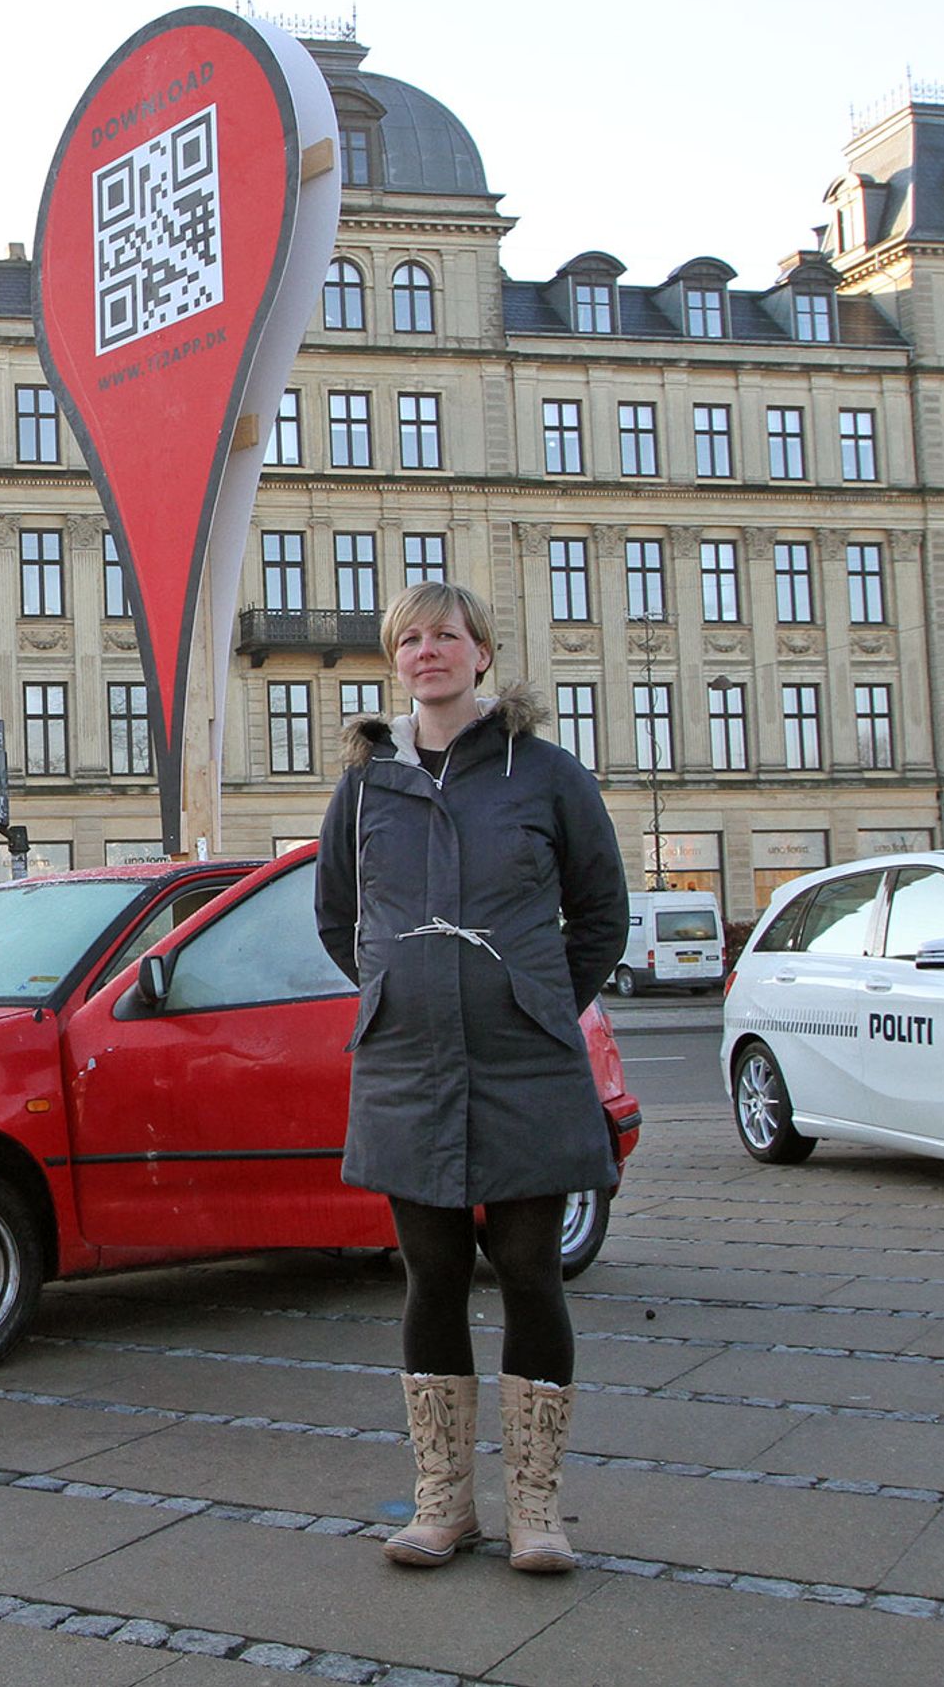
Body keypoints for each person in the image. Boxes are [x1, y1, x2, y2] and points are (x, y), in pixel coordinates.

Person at [313, 581, 628, 1575]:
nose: (427, 650)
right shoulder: (367, 783)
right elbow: (335, 916)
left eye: (445, 635)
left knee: (531, 1269)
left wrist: (532, 997)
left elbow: (600, 912)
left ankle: (535, 1507)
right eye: (408, 638)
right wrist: (400, 991)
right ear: (392, 658)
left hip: (523, 1064)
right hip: (410, 1064)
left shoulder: (545, 774)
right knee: (431, 1275)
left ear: (483, 652)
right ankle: (442, 1500)